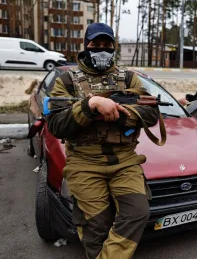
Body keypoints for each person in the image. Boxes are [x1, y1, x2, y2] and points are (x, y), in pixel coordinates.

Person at [46, 23, 159, 259]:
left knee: (137, 213)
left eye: (107, 45)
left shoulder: (129, 79)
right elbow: (56, 125)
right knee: (96, 228)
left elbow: (151, 113)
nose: (102, 49)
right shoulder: (66, 81)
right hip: (84, 162)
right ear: (86, 46)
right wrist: (89, 106)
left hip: (125, 161)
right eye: (95, 44)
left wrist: (118, 114)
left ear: (114, 47)